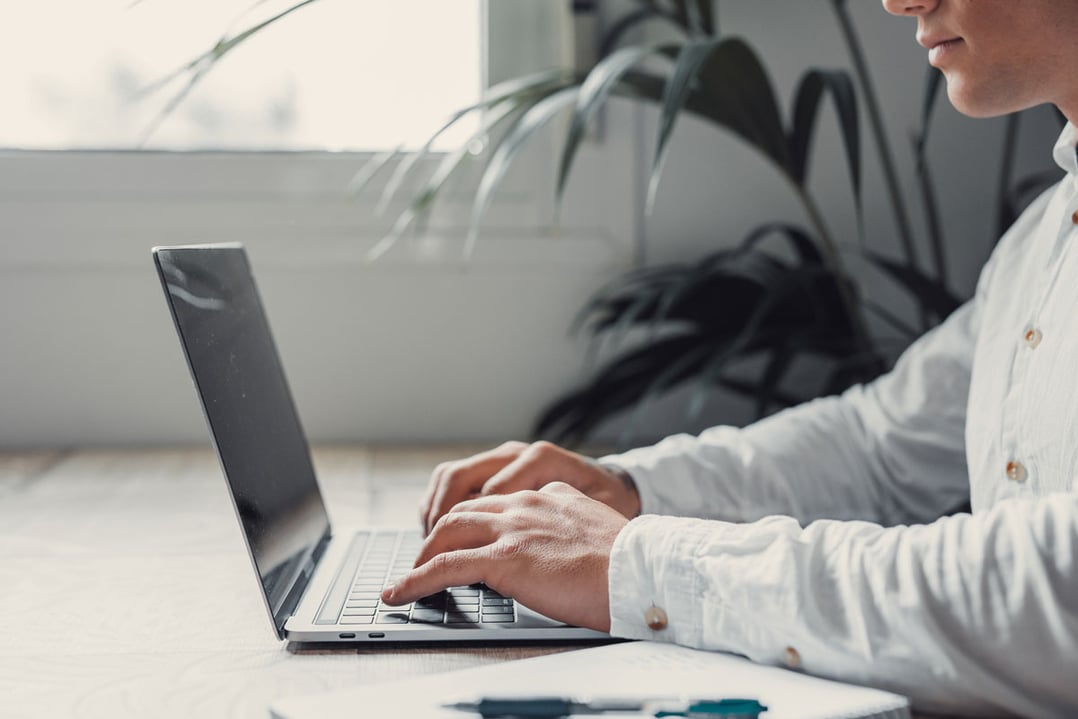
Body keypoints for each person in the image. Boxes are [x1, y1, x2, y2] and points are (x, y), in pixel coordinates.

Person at [383, 1, 1078, 715]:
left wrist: (639, 565)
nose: (899, 0)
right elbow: (878, 446)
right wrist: (625, 490)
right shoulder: (1045, 236)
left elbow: (1050, 587)